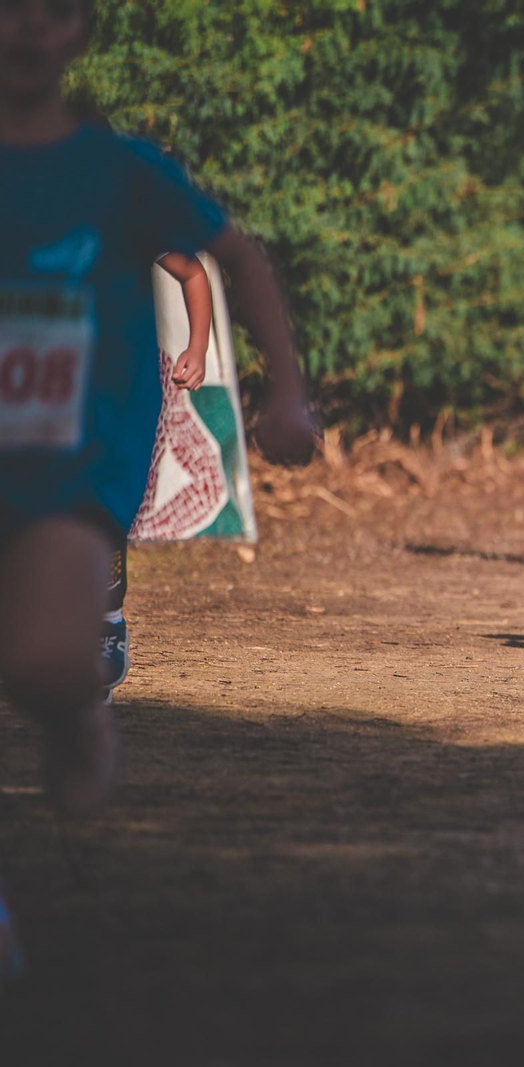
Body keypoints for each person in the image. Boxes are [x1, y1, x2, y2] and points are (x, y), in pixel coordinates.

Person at [0, 0, 317, 976]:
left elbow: (236, 256)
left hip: (71, 454)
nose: (25, 27)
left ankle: (72, 702)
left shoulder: (120, 169)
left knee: (48, 660)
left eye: (49, 12)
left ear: (77, 36)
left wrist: (287, 392)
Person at [100, 250, 214, 704]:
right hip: (45, 385)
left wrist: (198, 347)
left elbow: (193, 272)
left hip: (120, 386)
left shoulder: (125, 204)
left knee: (103, 504)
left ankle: (108, 625)